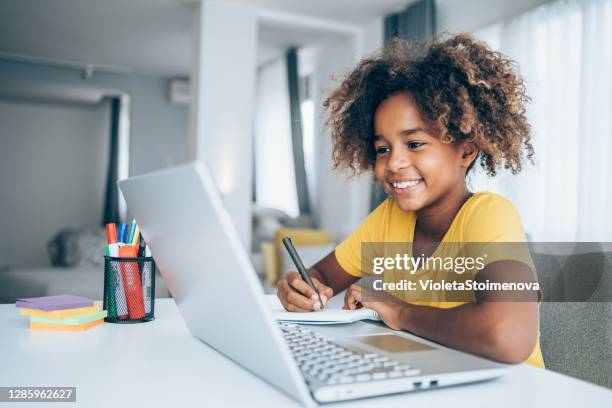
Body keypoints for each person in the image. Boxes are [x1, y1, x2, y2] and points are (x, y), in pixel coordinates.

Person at [276, 33, 544, 367]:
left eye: (414, 144)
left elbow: (508, 336)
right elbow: (322, 278)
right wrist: (299, 287)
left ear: (466, 150)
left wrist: (398, 310)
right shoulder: (388, 218)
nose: (394, 163)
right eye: (382, 149)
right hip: (431, 378)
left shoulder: (490, 215)